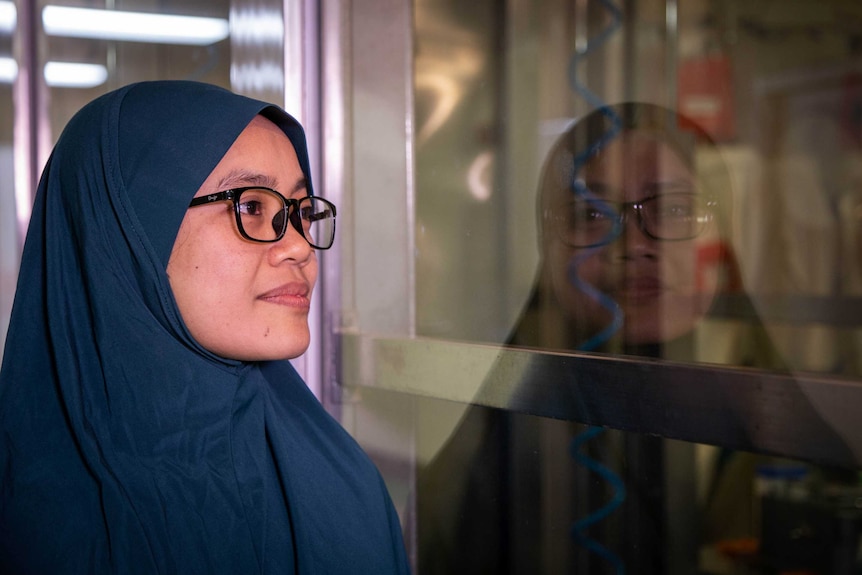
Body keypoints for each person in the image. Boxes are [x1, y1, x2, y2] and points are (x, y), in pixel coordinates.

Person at [416, 103, 852, 574]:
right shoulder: (502, 435)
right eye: (590, 214)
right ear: (546, 243)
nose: (634, 245)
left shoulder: (769, 400)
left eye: (676, 209)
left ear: (722, 235)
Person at [0, 81, 410, 574]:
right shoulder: (30, 524)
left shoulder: (341, 483)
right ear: (129, 238)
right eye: (252, 207)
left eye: (300, 211)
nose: (299, 245)